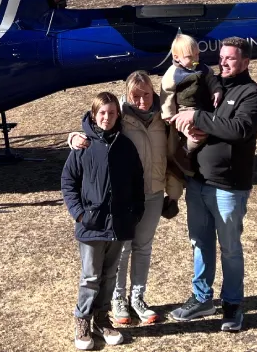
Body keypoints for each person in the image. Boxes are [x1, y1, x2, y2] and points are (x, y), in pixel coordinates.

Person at [168, 36, 257, 333]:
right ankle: (202, 299)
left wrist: (198, 117)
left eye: (230, 58)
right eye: (221, 57)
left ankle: (233, 304)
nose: (223, 63)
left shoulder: (254, 94)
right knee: (200, 243)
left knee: (230, 248)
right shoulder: (211, 85)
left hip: (228, 187)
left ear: (246, 61)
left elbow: (240, 129)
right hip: (197, 181)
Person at [68, 72, 177, 326]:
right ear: (127, 96)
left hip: (153, 193)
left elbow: (174, 154)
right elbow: (95, 128)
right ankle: (118, 299)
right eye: (135, 96)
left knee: (143, 248)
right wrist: (72, 137)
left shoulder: (165, 117)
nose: (142, 101)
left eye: (146, 94)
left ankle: (138, 297)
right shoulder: (120, 117)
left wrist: (173, 191)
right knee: (122, 249)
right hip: (123, 197)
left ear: (154, 92)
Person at [62, 92, 145, 349]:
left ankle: (101, 318)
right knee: (90, 276)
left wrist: (135, 213)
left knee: (110, 275)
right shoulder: (83, 146)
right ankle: (82, 319)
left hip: (119, 224)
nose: (106, 118)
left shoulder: (126, 146)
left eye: (111, 113)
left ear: (118, 115)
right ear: (93, 114)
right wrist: (80, 214)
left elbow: (137, 182)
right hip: (91, 224)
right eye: (102, 113)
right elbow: (68, 182)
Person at [160, 34, 223, 215]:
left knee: (207, 132)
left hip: (203, 110)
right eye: (190, 57)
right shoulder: (173, 74)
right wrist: (169, 116)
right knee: (196, 134)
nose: (195, 59)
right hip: (183, 112)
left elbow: (212, 79)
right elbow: (166, 95)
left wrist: (217, 90)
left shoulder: (203, 68)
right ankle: (184, 155)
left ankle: (190, 156)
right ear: (177, 57)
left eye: (197, 55)